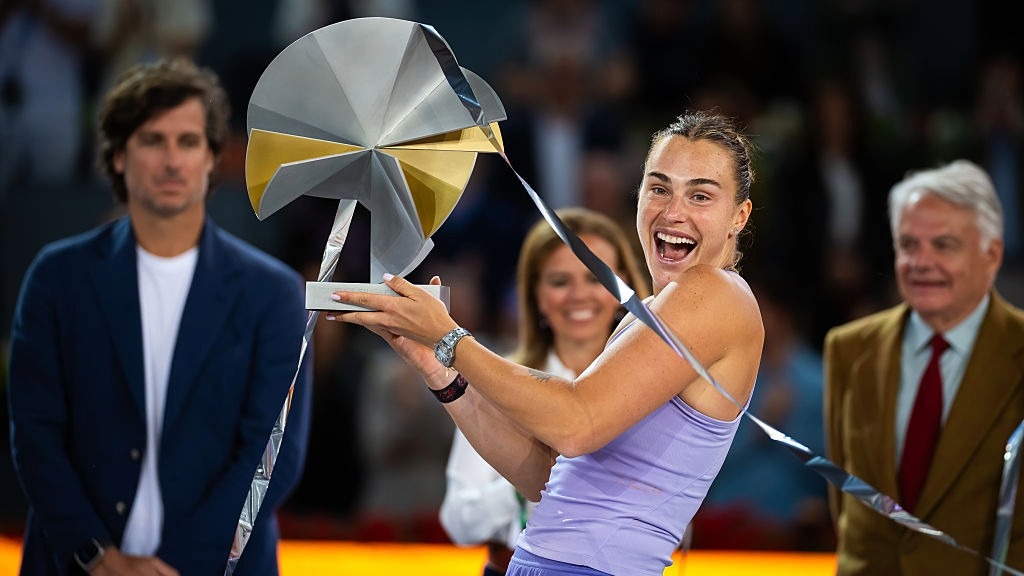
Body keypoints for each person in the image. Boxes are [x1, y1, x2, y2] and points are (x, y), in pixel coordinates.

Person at [330, 110, 764, 576]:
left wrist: (449, 337)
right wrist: (439, 368)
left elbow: (575, 422)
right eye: (659, 188)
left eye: (700, 195)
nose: (673, 211)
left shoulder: (714, 292)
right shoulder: (653, 312)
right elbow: (548, 476)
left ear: (739, 215)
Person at [7, 57, 311, 575]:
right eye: (152, 140)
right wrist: (97, 557)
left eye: (188, 141)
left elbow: (272, 456)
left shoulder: (274, 293)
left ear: (213, 157)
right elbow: (34, 434)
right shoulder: (58, 278)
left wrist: (179, 565)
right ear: (119, 156)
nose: (172, 160)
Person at [824, 159, 1024, 575]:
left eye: (944, 245)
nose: (921, 262)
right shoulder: (848, 348)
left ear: (992, 254)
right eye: (909, 245)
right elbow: (843, 503)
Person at [439, 207, 650, 575]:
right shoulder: (493, 381)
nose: (579, 295)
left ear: (623, 288)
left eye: (595, 277)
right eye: (559, 281)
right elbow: (459, 521)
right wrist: (529, 480)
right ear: (536, 295)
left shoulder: (654, 386)